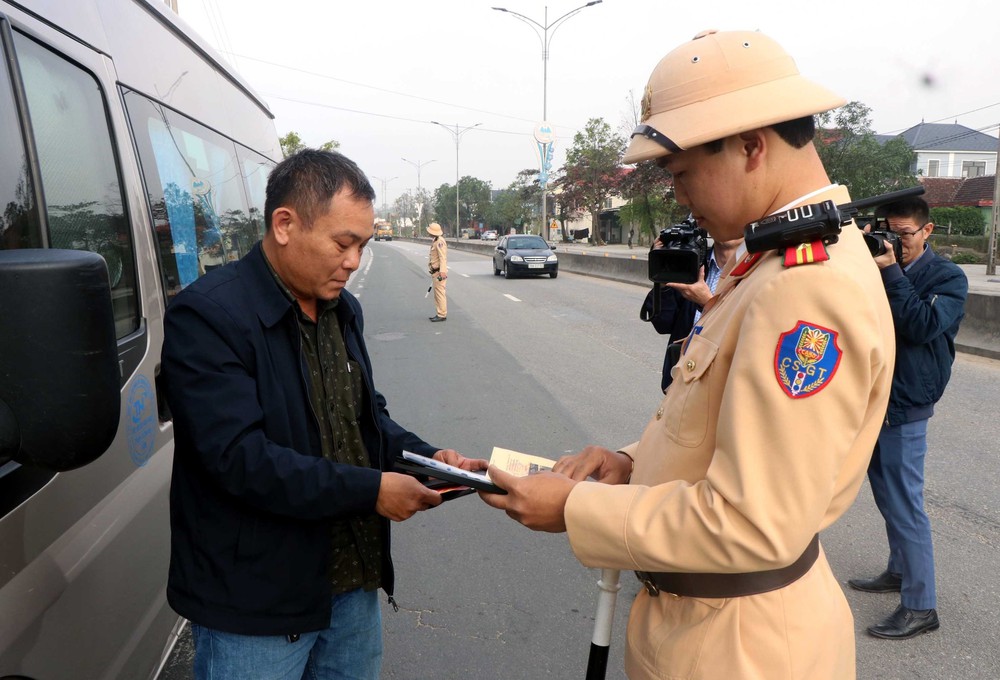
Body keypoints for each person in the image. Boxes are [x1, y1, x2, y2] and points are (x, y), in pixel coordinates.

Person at [480, 29, 896, 679]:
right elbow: (719, 426)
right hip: (707, 625)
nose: (678, 196)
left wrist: (573, 508)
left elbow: (752, 522)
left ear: (751, 146)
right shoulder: (770, 264)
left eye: (682, 173)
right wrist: (629, 463)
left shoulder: (806, 286)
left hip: (742, 649)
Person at [160, 149, 485, 680]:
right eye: (342, 243)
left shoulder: (342, 310)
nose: (353, 261)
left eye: (363, 246)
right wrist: (372, 491)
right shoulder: (208, 315)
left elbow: (365, 419)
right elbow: (239, 459)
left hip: (351, 585)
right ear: (285, 224)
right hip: (256, 606)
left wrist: (429, 461)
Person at [848, 197, 967, 639]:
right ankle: (899, 570)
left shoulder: (947, 277)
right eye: (889, 233)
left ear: (927, 230)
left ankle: (920, 606)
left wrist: (891, 273)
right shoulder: (874, 269)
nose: (896, 243)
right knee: (887, 496)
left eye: (904, 235)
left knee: (905, 504)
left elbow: (921, 326)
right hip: (873, 398)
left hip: (908, 403)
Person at [640, 236, 742, 391]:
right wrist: (662, 273)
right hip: (682, 381)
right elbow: (663, 324)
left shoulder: (756, 271)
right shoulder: (691, 262)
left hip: (724, 386)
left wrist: (707, 303)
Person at [427, 222, 448, 322]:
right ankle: (439, 312)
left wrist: (442, 272)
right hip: (435, 272)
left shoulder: (440, 242)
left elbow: (442, 257)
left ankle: (442, 314)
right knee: (437, 294)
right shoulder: (435, 240)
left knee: (440, 294)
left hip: (439, 272)